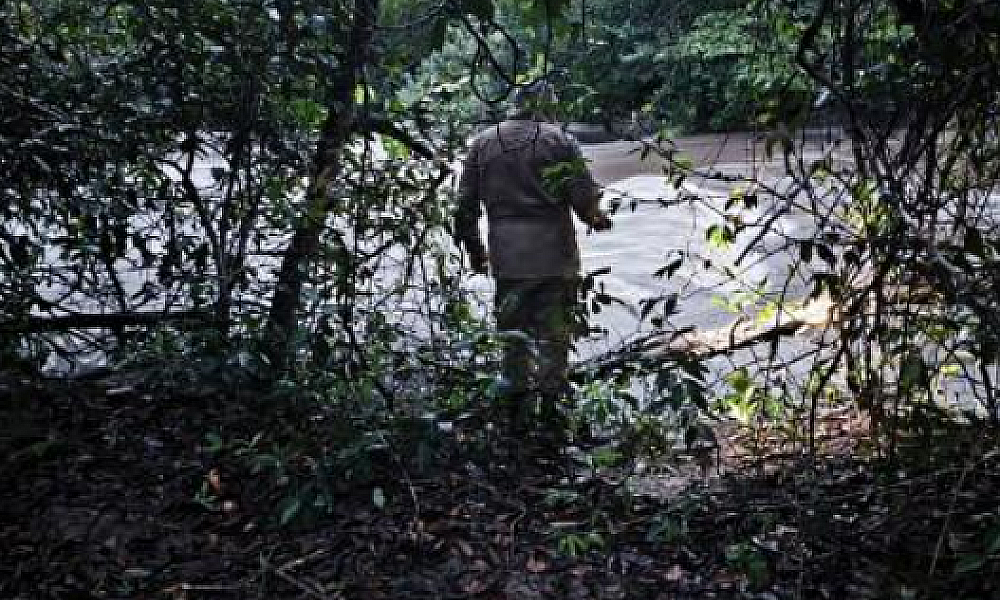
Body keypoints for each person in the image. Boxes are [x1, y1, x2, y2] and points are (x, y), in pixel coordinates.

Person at [454, 81, 612, 431]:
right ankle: (552, 419)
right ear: (546, 106)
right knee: (554, 338)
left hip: (507, 256)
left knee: (514, 338)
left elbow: (464, 208)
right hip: (554, 254)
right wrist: (597, 218)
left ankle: (515, 419)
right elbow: (582, 197)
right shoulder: (558, 140)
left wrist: (475, 250)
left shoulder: (483, 143)